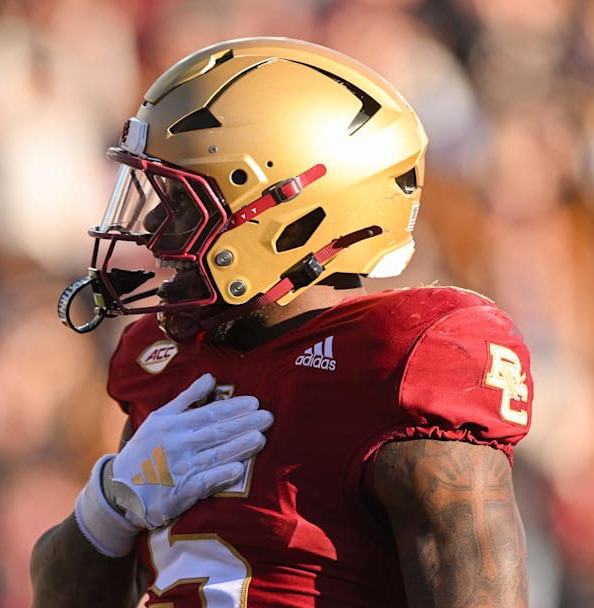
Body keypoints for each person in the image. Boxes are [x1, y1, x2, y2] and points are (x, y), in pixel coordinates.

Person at [32, 37, 533, 607]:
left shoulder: (398, 360)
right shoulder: (163, 361)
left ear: (289, 219)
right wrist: (110, 505)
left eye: (182, 204)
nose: (152, 230)